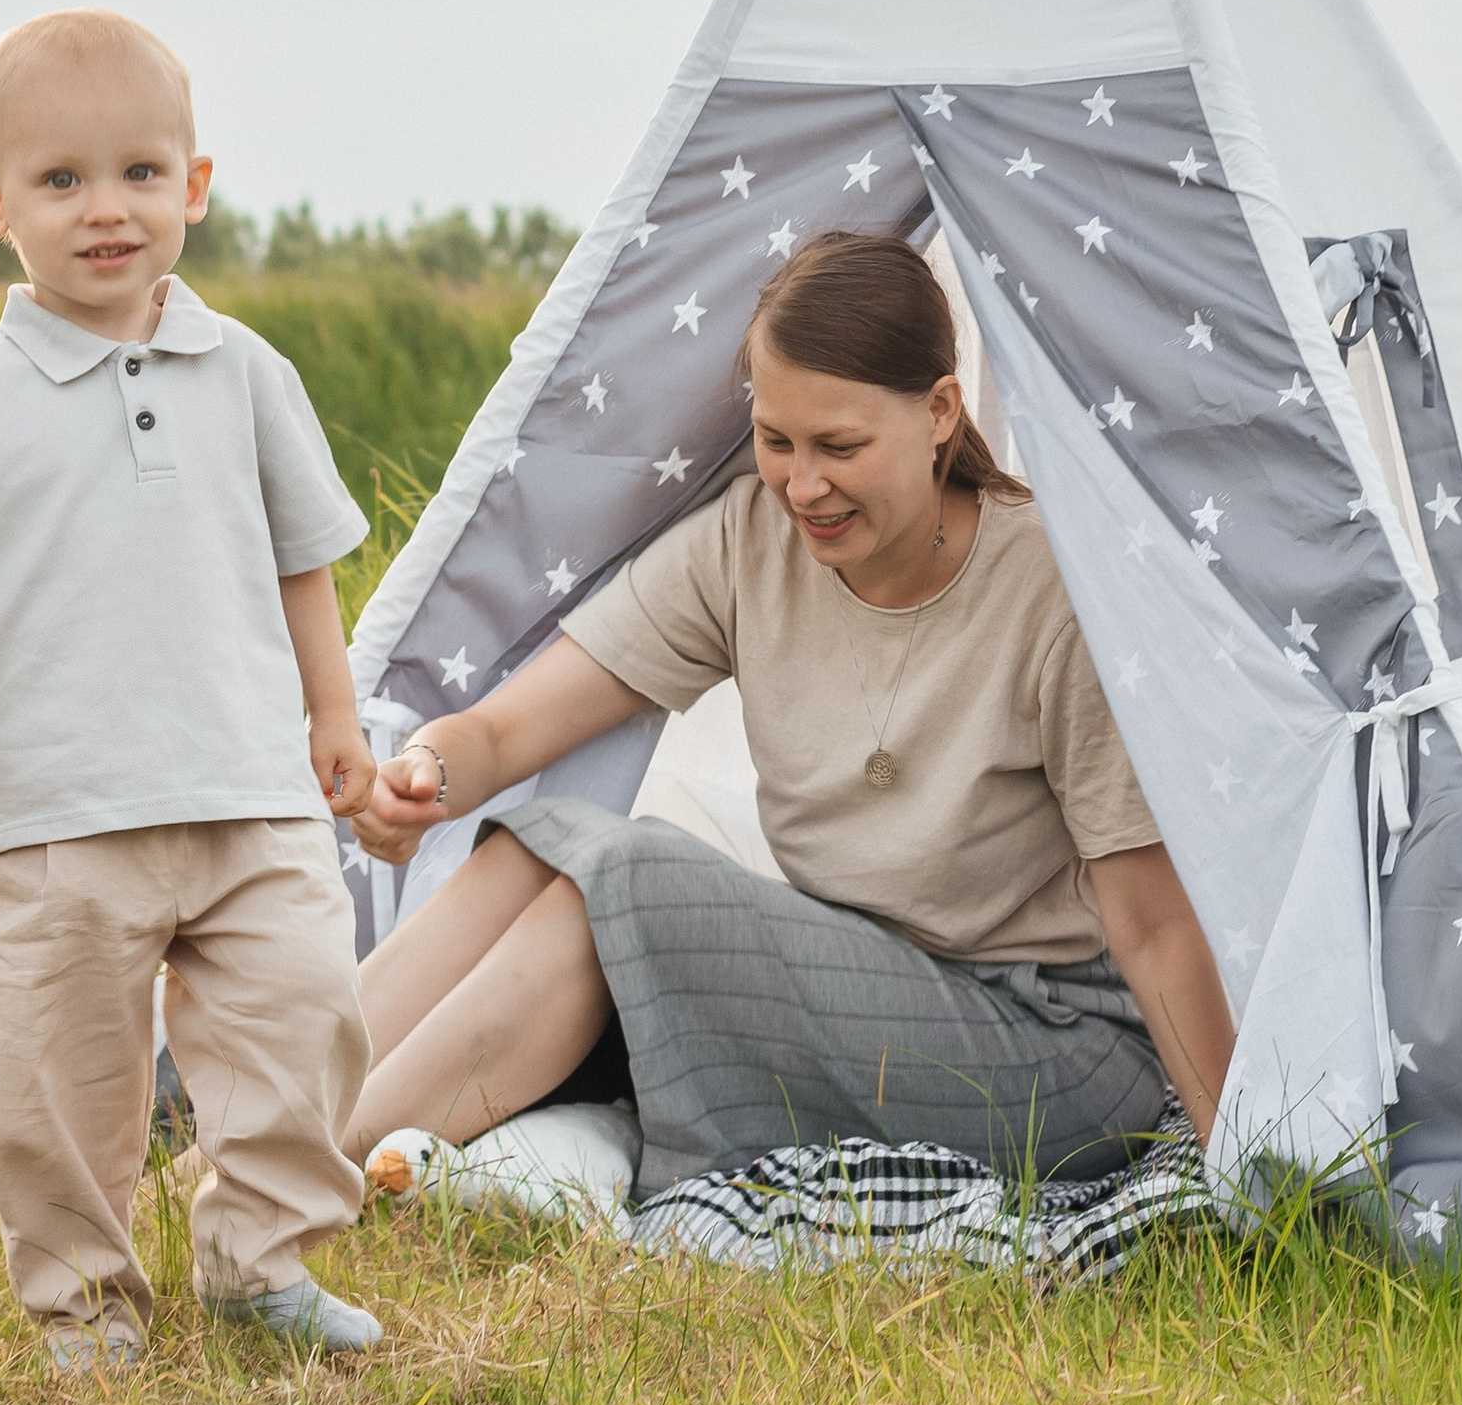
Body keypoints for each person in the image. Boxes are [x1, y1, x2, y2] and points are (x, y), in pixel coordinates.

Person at [346, 231, 1233, 1204]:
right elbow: (507, 733)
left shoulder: (1050, 592)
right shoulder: (748, 548)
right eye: (777, 441)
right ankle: (251, 1133)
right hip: (854, 992)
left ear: (941, 412)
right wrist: (424, 769)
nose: (803, 486)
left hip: (1046, 1055)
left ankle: (298, 1186)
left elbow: (1151, 929)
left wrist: (1235, 1166)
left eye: (839, 446)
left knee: (631, 878)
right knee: (539, 844)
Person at [0, 7, 383, 1369]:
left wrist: (335, 718)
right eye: (60, 181)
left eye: (140, 173)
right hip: (58, 815)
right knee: (62, 1087)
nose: (105, 210)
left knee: (306, 1013)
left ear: (194, 184)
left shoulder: (248, 372)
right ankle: (83, 1304)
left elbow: (303, 559)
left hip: (249, 789)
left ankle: (258, 1259)